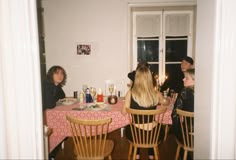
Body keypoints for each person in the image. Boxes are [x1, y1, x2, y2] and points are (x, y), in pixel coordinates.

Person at [122, 64, 165, 159]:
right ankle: (151, 155)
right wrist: (166, 100)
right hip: (154, 135)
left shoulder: (131, 93)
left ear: (136, 78)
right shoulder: (156, 93)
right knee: (153, 132)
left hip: (136, 135)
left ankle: (136, 155)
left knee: (131, 129)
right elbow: (165, 103)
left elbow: (124, 112)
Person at [171, 68, 194, 160]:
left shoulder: (184, 92)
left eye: (187, 78)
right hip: (204, 135)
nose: (183, 79)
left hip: (187, 136)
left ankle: (185, 157)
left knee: (177, 130)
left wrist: (176, 128)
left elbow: (174, 113)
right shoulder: (204, 93)